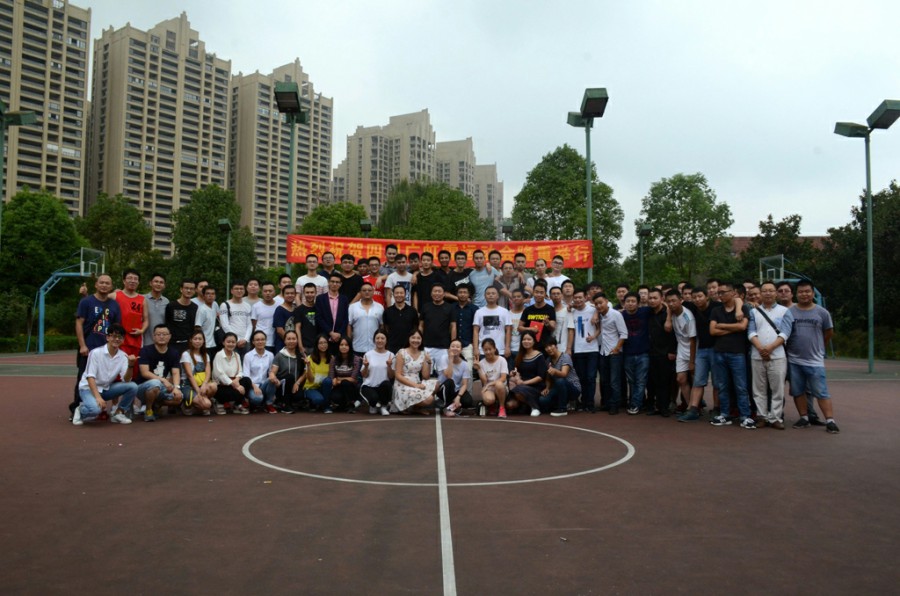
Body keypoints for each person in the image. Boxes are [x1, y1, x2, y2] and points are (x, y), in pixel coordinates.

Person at [787, 280, 839, 433]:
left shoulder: (822, 312)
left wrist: (820, 346)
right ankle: (804, 417)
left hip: (815, 360)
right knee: (798, 391)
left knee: (821, 391)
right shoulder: (789, 312)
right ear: (796, 294)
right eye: (801, 292)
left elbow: (829, 331)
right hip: (794, 359)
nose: (804, 294)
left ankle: (830, 420)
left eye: (807, 291)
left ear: (812, 293)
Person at [73, 274, 122, 416]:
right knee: (83, 378)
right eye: (101, 282)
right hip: (89, 348)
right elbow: (79, 323)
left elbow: (116, 328)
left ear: (111, 287)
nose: (104, 285)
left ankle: (99, 407)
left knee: (105, 379)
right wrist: (82, 345)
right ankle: (76, 408)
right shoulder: (86, 302)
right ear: (96, 284)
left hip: (106, 350)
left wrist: (115, 347)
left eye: (107, 283)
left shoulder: (114, 305)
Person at [748, 281, 794, 429]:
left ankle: (775, 418)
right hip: (757, 355)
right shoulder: (754, 312)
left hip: (778, 356)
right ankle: (761, 416)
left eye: (771, 290)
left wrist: (770, 348)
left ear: (776, 293)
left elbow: (785, 333)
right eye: (764, 291)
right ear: (760, 294)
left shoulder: (785, 311)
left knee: (777, 389)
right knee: (758, 389)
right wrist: (761, 348)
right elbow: (751, 332)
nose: (767, 293)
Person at [72, 324, 137, 426]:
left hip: (105, 388)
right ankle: (80, 410)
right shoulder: (96, 353)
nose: (117, 339)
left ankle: (119, 413)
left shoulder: (123, 356)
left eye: (120, 337)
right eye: (113, 336)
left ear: (123, 340)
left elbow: (127, 380)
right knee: (95, 410)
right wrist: (98, 397)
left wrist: (131, 365)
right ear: (107, 337)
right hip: (88, 389)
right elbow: (90, 377)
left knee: (132, 386)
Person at [709, 282, 754, 429]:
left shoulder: (743, 309)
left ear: (732, 293)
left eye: (723, 292)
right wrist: (733, 328)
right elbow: (712, 331)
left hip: (737, 353)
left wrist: (722, 325)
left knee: (741, 386)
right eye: (719, 293)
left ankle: (745, 415)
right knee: (722, 385)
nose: (720, 295)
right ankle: (725, 414)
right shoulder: (716, 310)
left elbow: (742, 326)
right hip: (719, 352)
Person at [135, 324, 183, 422]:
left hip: (161, 387)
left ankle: (156, 405)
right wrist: (163, 380)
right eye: (158, 334)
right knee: (155, 383)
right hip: (143, 387)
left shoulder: (173, 353)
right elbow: (144, 372)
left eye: (164, 334)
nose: (161, 336)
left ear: (169, 336)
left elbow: (175, 373)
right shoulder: (145, 350)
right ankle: (148, 410)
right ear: (153, 336)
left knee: (179, 397)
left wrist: (176, 387)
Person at [664, 290, 698, 420]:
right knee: (681, 379)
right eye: (669, 301)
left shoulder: (688, 317)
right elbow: (667, 313)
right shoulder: (671, 311)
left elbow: (693, 340)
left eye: (674, 301)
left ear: (681, 300)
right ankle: (689, 407)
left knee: (695, 380)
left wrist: (692, 361)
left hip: (692, 350)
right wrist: (668, 318)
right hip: (681, 350)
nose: (671, 304)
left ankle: (695, 408)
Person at [594, 293, 627, 415]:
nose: (599, 305)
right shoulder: (599, 315)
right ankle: (607, 404)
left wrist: (617, 348)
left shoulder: (616, 314)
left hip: (614, 353)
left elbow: (624, 333)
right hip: (603, 352)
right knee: (605, 380)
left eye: (601, 302)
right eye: (596, 304)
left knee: (614, 381)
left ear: (607, 301)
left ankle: (615, 405)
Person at [620, 292, 652, 415]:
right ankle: (638, 401)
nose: (630, 303)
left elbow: (664, 306)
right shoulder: (621, 315)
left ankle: (635, 404)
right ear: (624, 303)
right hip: (628, 353)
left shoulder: (645, 311)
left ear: (638, 303)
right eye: (628, 301)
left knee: (641, 380)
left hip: (643, 353)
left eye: (633, 301)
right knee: (631, 381)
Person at [646, 288, 676, 416]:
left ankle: (664, 407)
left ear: (661, 299)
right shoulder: (647, 312)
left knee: (664, 381)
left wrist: (672, 351)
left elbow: (673, 334)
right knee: (651, 381)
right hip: (650, 352)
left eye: (655, 298)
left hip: (665, 353)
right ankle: (652, 406)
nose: (652, 300)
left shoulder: (668, 313)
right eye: (650, 298)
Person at [392, 329, 437, 414]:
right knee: (429, 399)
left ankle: (416, 407)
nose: (416, 340)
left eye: (418, 338)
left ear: (421, 340)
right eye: (413, 337)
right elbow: (398, 375)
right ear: (409, 339)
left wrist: (429, 362)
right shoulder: (402, 352)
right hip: (403, 384)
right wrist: (415, 385)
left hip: (417, 382)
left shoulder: (423, 354)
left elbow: (425, 376)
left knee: (436, 384)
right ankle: (406, 405)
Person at [568, 288, 598, 412]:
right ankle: (583, 401)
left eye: (580, 297)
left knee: (591, 377)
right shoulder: (571, 312)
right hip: (578, 349)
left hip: (592, 349)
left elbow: (600, 327)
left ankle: (590, 403)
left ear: (586, 297)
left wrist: (594, 336)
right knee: (581, 378)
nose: (578, 300)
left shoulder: (593, 310)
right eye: (576, 298)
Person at [115, 269, 147, 379]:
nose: (132, 281)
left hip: (135, 341)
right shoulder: (115, 295)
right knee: (118, 370)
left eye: (135, 279)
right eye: (130, 278)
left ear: (138, 282)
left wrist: (142, 330)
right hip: (119, 340)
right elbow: (99, 299)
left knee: (133, 370)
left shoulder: (142, 299)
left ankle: (131, 390)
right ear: (124, 281)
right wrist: (85, 295)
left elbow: (146, 319)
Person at [507, 330, 548, 417]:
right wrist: (513, 373)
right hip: (521, 385)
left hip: (536, 386)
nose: (526, 341)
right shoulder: (520, 355)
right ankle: (526, 406)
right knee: (510, 404)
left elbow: (540, 377)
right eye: (524, 339)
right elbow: (516, 370)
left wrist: (524, 383)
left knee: (518, 391)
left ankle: (535, 407)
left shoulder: (539, 355)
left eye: (529, 339)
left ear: (534, 341)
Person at [212, 332, 253, 415]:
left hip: (234, 383)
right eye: (228, 342)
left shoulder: (237, 355)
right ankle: (219, 402)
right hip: (222, 385)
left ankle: (237, 404)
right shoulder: (219, 355)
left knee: (247, 381)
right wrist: (236, 385)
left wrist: (237, 380)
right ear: (223, 343)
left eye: (233, 342)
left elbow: (240, 371)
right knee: (237, 390)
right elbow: (220, 374)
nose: (231, 344)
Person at [180, 329, 217, 416]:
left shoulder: (205, 355)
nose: (197, 341)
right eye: (195, 339)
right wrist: (198, 391)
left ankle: (198, 405)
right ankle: (187, 405)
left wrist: (204, 384)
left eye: (200, 339)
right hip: (188, 385)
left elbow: (208, 373)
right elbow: (189, 375)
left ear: (203, 341)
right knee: (207, 404)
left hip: (201, 383)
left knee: (213, 386)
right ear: (191, 340)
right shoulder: (186, 354)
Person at [419, 283, 455, 370]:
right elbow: (421, 326)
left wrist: (452, 345)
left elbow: (453, 327)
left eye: (439, 291)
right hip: (427, 346)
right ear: (431, 293)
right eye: (435, 291)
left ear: (444, 293)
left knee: (443, 373)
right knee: (426, 373)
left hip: (443, 347)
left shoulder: (450, 308)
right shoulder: (425, 307)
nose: (437, 293)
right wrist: (420, 342)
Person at [542, 336, 580, 416]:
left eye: (551, 346)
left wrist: (554, 371)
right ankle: (560, 403)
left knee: (560, 381)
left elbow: (564, 374)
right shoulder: (548, 360)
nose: (549, 349)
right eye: (546, 347)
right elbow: (548, 378)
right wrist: (547, 388)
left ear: (556, 346)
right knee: (543, 400)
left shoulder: (565, 357)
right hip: (558, 388)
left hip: (573, 388)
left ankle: (562, 409)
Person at [270, 330, 306, 413]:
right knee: (289, 377)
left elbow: (305, 372)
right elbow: (273, 371)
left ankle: (289, 402)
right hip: (281, 386)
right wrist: (272, 375)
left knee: (299, 396)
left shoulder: (300, 355)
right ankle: (285, 405)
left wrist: (297, 383)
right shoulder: (279, 355)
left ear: (297, 340)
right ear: (285, 341)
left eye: (294, 339)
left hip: (294, 385)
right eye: (289, 339)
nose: (291, 341)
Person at [472, 286, 512, 362]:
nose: (491, 295)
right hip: (483, 350)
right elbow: (475, 331)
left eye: (493, 293)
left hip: (500, 349)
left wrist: (507, 347)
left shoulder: (504, 311)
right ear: (484, 296)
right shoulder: (479, 312)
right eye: (488, 293)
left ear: (498, 296)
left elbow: (508, 330)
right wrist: (476, 348)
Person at [315, 273, 350, 357]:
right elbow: (319, 317)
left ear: (340, 284)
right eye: (332, 281)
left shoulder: (344, 299)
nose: (334, 284)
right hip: (324, 336)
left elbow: (346, 318)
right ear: (328, 282)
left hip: (339, 337)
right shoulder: (320, 298)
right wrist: (330, 333)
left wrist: (339, 333)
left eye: (337, 282)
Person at [360, 330, 394, 416]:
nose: (380, 340)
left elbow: (391, 376)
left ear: (386, 340)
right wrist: (366, 366)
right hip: (369, 386)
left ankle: (383, 406)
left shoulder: (391, 355)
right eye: (377, 338)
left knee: (387, 384)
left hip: (383, 387)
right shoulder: (368, 354)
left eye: (382, 338)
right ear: (374, 340)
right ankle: (373, 405)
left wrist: (389, 366)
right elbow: (364, 375)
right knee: (373, 399)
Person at [436, 339, 473, 416]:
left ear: (461, 350)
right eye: (452, 346)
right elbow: (448, 376)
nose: (455, 348)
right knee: (450, 381)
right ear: (449, 349)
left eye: (457, 347)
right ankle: (446, 408)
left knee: (468, 401)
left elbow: (464, 384)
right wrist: (451, 360)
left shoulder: (465, 364)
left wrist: (458, 397)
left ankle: (452, 405)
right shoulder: (444, 358)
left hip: (455, 390)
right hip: (443, 388)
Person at [243, 330, 277, 414]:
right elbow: (246, 375)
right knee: (257, 399)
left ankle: (269, 403)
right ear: (253, 342)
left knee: (272, 379)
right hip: (253, 385)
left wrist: (274, 378)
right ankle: (254, 402)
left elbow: (271, 372)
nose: (260, 342)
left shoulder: (270, 355)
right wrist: (254, 387)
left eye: (262, 339)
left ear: (265, 341)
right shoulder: (248, 356)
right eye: (257, 340)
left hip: (265, 384)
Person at [347, 282, 384, 357]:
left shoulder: (379, 307)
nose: (367, 292)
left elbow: (382, 326)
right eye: (364, 290)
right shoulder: (353, 307)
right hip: (357, 347)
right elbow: (349, 325)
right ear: (360, 292)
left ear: (373, 292)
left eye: (369, 290)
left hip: (375, 347)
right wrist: (349, 341)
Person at [474, 338, 508, 417]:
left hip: (501, 387)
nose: (488, 352)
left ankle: (502, 408)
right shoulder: (482, 363)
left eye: (490, 349)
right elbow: (484, 381)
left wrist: (490, 384)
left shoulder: (502, 360)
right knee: (489, 400)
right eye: (485, 350)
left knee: (499, 384)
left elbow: (503, 378)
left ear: (494, 349)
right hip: (489, 388)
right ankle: (492, 406)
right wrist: (479, 368)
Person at [518, 280, 555, 349]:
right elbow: (519, 328)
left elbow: (553, 327)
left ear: (545, 294)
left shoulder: (550, 309)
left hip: (545, 346)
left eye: (541, 292)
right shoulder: (527, 310)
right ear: (533, 293)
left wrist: (548, 324)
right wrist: (530, 329)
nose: (539, 295)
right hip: (529, 346)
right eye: (536, 292)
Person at [219, 280, 252, 356]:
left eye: (241, 289)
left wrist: (245, 339)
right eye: (236, 289)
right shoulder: (225, 305)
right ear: (231, 291)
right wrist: (235, 339)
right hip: (231, 342)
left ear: (244, 291)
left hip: (245, 342)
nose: (239, 291)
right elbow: (225, 325)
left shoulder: (247, 306)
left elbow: (249, 325)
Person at [383, 285, 419, 355]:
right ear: (393, 294)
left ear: (405, 294)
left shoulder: (412, 311)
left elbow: (415, 328)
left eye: (401, 293)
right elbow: (386, 329)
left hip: (409, 347)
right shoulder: (387, 311)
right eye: (397, 293)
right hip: (391, 347)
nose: (399, 295)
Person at [329, 336, 361, 412]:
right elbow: (331, 376)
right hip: (339, 386)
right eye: (341, 345)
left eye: (346, 345)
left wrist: (339, 379)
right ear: (338, 346)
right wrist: (334, 380)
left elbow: (353, 379)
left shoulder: (356, 359)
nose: (344, 347)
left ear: (350, 346)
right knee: (335, 397)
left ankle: (351, 404)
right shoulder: (334, 359)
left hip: (352, 387)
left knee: (345, 383)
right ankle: (343, 405)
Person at [303, 334, 333, 412]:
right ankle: (313, 402)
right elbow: (310, 380)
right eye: (320, 343)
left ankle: (326, 406)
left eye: (325, 342)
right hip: (311, 387)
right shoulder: (310, 358)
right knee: (318, 400)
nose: (323, 345)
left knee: (328, 381)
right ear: (316, 345)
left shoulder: (331, 358)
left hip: (324, 387)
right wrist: (308, 366)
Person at [165, 279, 198, 352]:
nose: (189, 291)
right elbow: (167, 324)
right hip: (173, 344)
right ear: (181, 289)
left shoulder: (195, 308)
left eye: (191, 289)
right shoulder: (171, 306)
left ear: (194, 291)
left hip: (189, 345)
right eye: (186, 288)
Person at [452, 284, 478, 372]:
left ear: (469, 294)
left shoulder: (474, 309)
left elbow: (476, 328)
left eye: (465, 292)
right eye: (460, 292)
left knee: (468, 370)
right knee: (453, 369)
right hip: (453, 344)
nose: (462, 294)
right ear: (456, 294)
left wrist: (474, 345)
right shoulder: (451, 307)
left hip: (468, 344)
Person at [251, 282, 279, 353]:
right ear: (262, 292)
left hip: (275, 340)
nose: (268, 293)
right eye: (265, 291)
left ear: (274, 292)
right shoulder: (256, 306)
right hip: (260, 341)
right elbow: (254, 325)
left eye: (270, 291)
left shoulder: (279, 306)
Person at [142, 273, 169, 346]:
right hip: (145, 342)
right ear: (150, 283)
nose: (158, 284)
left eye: (161, 282)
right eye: (156, 281)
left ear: (164, 285)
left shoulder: (166, 301)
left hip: (161, 342)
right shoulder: (142, 299)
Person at [272, 284, 298, 352]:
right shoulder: (279, 310)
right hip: (282, 345)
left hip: (295, 345)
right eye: (287, 293)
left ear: (295, 295)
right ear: (283, 295)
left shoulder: (296, 309)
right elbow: (279, 330)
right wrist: (290, 342)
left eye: (292, 293)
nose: (290, 295)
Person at [194, 285, 219, 355]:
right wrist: (200, 342)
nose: (210, 296)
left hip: (213, 343)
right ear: (203, 296)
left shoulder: (215, 306)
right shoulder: (202, 309)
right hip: (205, 345)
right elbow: (197, 327)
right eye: (208, 294)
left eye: (212, 294)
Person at [295, 282, 319, 355]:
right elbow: (297, 328)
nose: (310, 294)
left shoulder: (319, 308)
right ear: (303, 293)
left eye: (312, 292)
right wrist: (300, 345)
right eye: (307, 292)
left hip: (318, 346)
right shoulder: (299, 309)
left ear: (316, 293)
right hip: (305, 346)